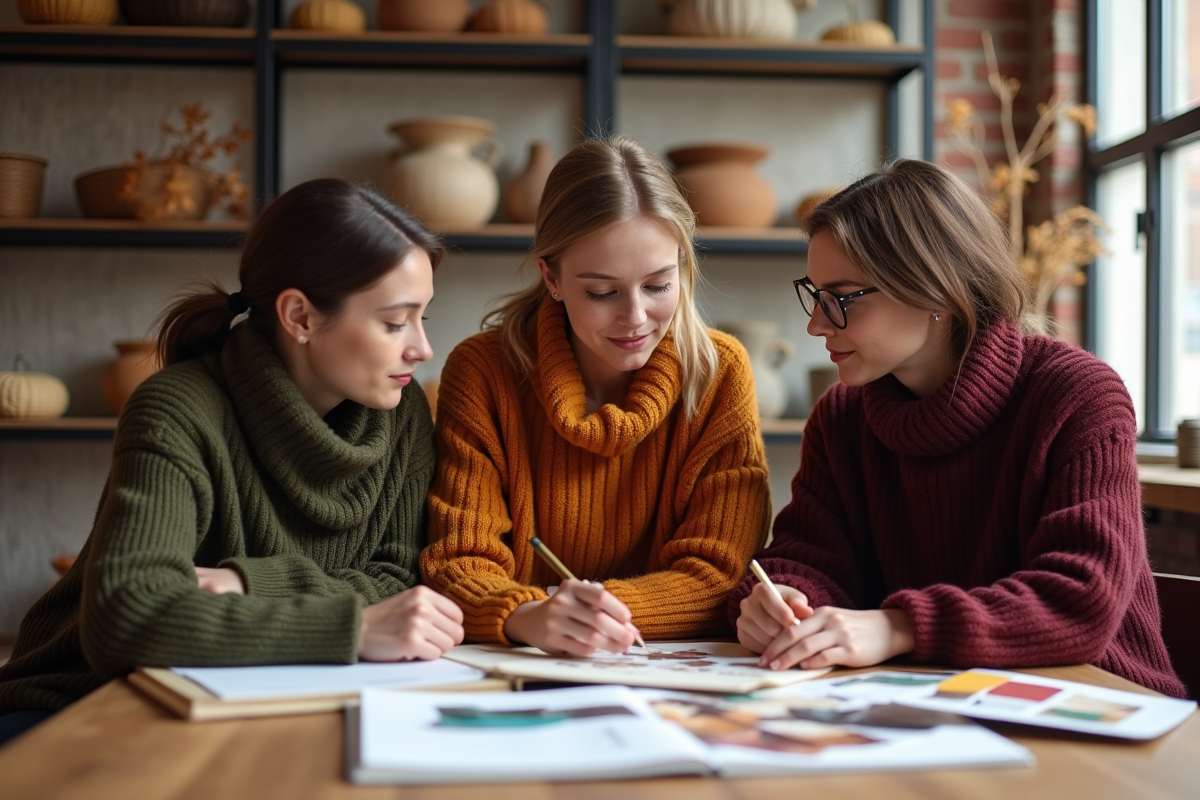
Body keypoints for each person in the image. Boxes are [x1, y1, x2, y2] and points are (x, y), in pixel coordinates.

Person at [0, 179, 466, 745]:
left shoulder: (401, 409)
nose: (422, 349)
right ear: (300, 316)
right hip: (82, 705)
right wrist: (355, 626)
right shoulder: (177, 407)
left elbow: (399, 581)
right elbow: (129, 616)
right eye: (395, 322)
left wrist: (246, 583)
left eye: (423, 319)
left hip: (269, 702)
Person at [729, 159, 1185, 698]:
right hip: (931, 699)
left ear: (935, 292)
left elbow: (1080, 601)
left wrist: (899, 626)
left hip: (1098, 702)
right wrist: (784, 598)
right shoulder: (841, 416)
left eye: (841, 299)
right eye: (815, 295)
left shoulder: (1077, 395)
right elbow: (807, 559)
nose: (816, 324)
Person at [420, 135, 771, 656]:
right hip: (524, 663)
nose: (635, 317)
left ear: (682, 266)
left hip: (664, 670)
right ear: (551, 277)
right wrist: (527, 616)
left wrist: (589, 614)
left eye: (658, 285)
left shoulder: (719, 372)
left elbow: (721, 573)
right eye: (601, 292)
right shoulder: (483, 372)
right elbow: (457, 562)